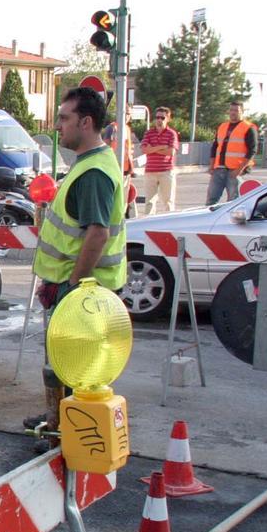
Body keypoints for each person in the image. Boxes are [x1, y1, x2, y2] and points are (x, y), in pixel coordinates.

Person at [27, 87, 126, 435]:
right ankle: (61, 423)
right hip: (77, 287)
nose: (57, 126)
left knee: (75, 370)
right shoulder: (91, 164)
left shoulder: (93, 174)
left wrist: (73, 288)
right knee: (70, 368)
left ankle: (70, 437)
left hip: (84, 293)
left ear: (86, 123)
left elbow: (96, 234)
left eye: (65, 118)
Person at [206, 101, 257, 205]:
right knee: (211, 200)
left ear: (242, 112)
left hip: (234, 171)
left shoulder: (248, 128)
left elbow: (252, 151)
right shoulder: (222, 126)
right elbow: (215, 147)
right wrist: (211, 166)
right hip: (218, 169)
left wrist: (239, 170)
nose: (233, 113)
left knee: (233, 202)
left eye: (236, 110)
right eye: (231, 110)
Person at [139, 106, 180, 213]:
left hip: (166, 171)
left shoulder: (171, 134)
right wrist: (161, 147)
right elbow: (144, 150)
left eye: (162, 118)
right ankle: (148, 224)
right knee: (149, 202)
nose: (159, 120)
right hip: (150, 171)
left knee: (168, 201)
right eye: (157, 117)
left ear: (168, 119)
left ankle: (168, 225)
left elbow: (171, 152)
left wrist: (151, 149)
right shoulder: (149, 133)